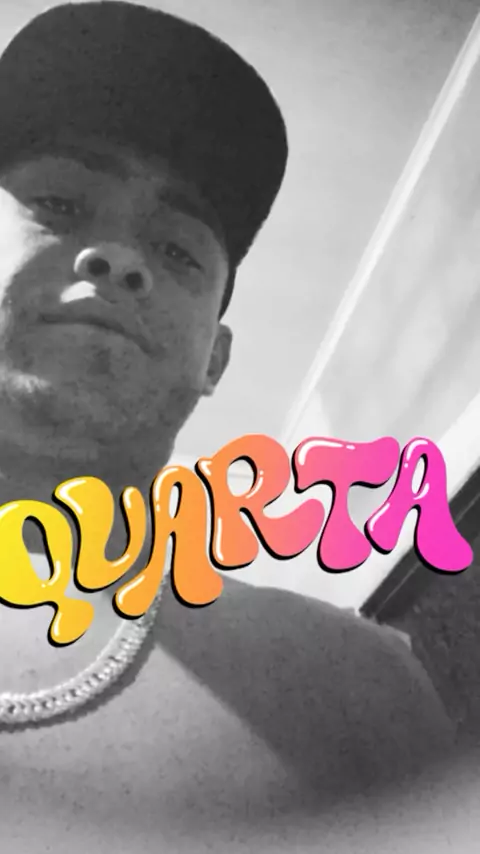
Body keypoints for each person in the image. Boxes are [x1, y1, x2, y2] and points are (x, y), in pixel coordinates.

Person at [0, 2, 456, 851]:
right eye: (58, 204)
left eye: (177, 251)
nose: (118, 259)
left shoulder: (355, 689)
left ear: (215, 359)